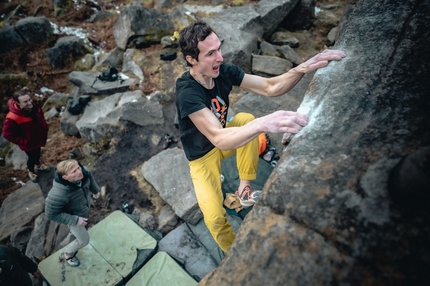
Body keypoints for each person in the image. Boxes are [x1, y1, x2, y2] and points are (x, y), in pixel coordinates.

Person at [175, 21, 346, 252]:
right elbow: (218, 137)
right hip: (202, 156)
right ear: (191, 59)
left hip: (225, 138)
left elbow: (269, 87)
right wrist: (263, 123)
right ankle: (234, 255)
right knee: (215, 219)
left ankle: (244, 189)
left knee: (245, 118)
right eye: (211, 53)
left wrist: (303, 68)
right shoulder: (187, 92)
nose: (220, 58)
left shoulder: (223, 72)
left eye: (219, 49)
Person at [45, 159, 100, 267]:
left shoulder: (84, 172)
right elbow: (51, 214)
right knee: (84, 240)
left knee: (81, 227)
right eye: (74, 172)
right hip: (73, 218)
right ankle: (68, 254)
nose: (79, 172)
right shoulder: (58, 194)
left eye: (78, 168)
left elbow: (90, 178)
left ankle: (73, 232)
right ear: (65, 177)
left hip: (81, 210)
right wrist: (75, 220)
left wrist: (95, 190)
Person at [2, 91, 50, 182]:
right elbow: (7, 134)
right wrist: (23, 141)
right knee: (32, 158)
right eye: (25, 102)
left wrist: (44, 127)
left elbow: (41, 116)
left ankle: (38, 165)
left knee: (38, 154)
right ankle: (32, 171)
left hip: (38, 138)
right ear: (18, 103)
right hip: (28, 143)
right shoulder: (12, 117)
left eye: (29, 99)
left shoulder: (35, 106)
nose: (29, 103)